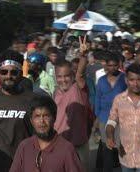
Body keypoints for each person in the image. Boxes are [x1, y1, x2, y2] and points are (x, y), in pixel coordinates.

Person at [0, 50, 38, 172]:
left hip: (23, 163)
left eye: (14, 72)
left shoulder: (32, 99)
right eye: (4, 72)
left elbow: (38, 134)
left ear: (21, 74)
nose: (8, 76)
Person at [9, 96, 83, 172]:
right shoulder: (24, 147)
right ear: (31, 121)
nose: (41, 121)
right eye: (37, 116)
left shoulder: (67, 150)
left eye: (46, 116)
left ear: (54, 118)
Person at [53, 36, 93, 171]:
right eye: (59, 76)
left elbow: (80, 74)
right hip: (58, 144)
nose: (63, 80)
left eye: (66, 76)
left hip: (78, 145)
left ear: (72, 75)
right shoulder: (55, 93)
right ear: (55, 77)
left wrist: (83, 55)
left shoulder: (77, 88)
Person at [95, 53, 127, 172]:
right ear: (106, 66)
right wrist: (97, 117)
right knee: (106, 148)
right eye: (110, 65)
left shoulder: (124, 78)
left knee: (121, 147)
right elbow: (97, 99)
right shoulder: (101, 80)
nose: (112, 68)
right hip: (104, 118)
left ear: (118, 65)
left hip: (121, 118)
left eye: (115, 65)